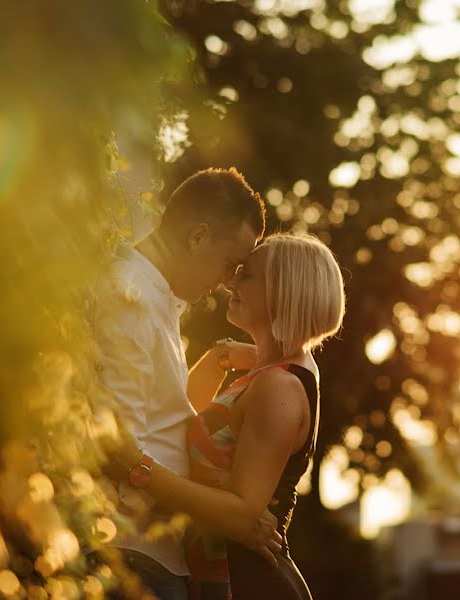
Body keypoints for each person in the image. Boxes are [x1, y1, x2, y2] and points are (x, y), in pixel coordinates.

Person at [111, 232, 346, 599]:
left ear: (285, 292)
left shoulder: (277, 387)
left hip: (249, 585)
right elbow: (178, 422)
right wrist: (220, 356)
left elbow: (241, 515)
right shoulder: (271, 376)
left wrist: (138, 469)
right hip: (216, 577)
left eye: (247, 276)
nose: (231, 282)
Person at [93, 167, 278, 600]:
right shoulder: (130, 299)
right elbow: (116, 447)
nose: (228, 281)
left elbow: (163, 421)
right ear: (197, 237)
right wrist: (224, 516)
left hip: (153, 556)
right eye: (230, 264)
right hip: (132, 557)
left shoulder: (155, 299)